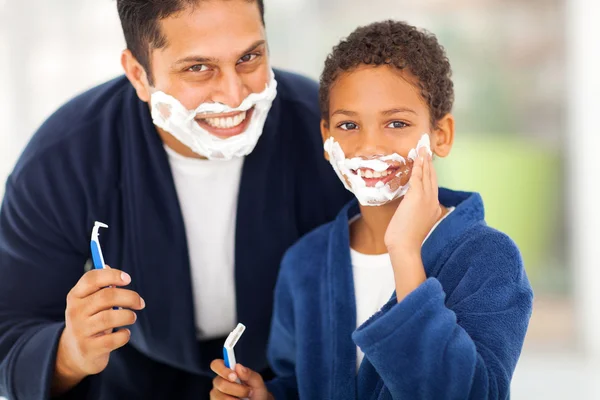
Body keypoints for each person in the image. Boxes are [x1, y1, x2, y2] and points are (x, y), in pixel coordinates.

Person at [0, 0, 352, 399]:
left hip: (296, 377)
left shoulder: (331, 135)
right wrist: (70, 354)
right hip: (130, 382)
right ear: (138, 74)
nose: (233, 95)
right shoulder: (65, 158)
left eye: (249, 57)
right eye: (198, 67)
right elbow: (10, 331)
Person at [210, 20, 534, 399]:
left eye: (396, 122)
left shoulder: (488, 259)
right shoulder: (305, 263)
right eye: (348, 125)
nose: (370, 145)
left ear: (441, 135)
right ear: (326, 137)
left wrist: (405, 251)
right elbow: (302, 384)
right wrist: (267, 396)